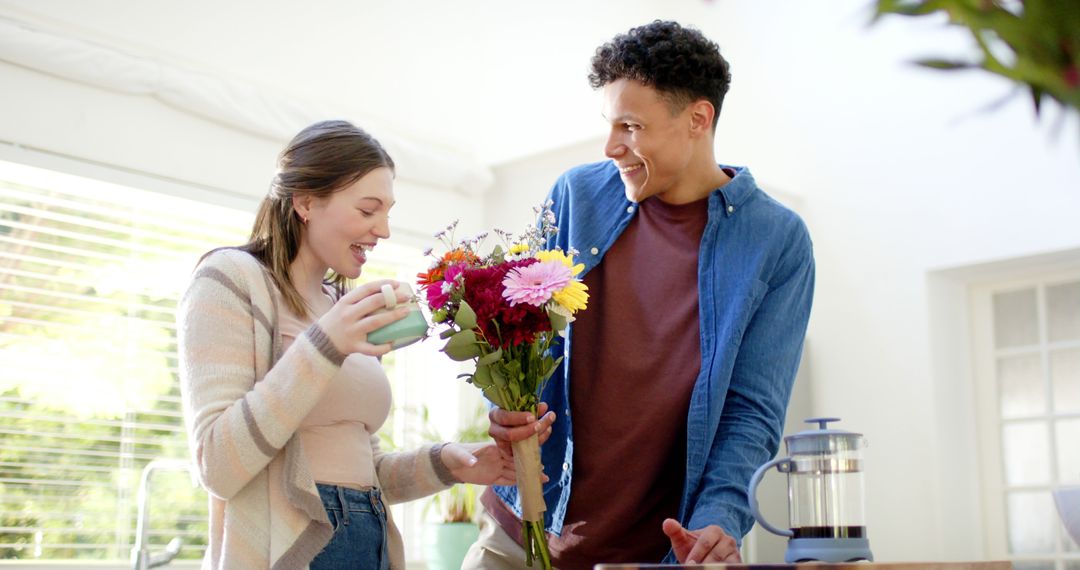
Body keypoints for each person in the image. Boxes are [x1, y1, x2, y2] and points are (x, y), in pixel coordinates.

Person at [463, 20, 815, 569]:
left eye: (630, 126)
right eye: (609, 125)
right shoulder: (577, 195)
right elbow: (522, 341)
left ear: (698, 119)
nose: (611, 147)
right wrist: (504, 406)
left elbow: (752, 411)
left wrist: (717, 519)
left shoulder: (776, 240)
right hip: (521, 531)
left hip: (656, 554)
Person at [177, 120, 515, 570]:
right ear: (305, 202)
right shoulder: (231, 279)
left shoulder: (341, 307)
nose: (384, 230)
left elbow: (360, 471)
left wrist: (446, 465)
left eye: (387, 212)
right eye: (368, 209)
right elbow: (217, 464)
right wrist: (325, 344)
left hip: (366, 538)